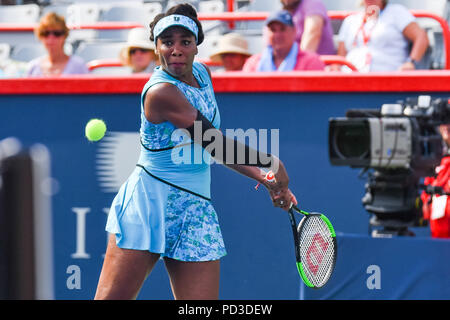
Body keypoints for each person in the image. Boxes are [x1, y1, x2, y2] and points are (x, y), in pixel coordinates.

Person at [94, 3, 297, 300]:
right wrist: (271, 162)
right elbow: (212, 141)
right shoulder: (160, 93)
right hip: (149, 206)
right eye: (167, 42)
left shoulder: (203, 74)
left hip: (194, 210)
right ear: (156, 48)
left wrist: (267, 178)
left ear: (196, 47)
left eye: (185, 42)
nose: (176, 49)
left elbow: (210, 149)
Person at [336, 0, 429, 72]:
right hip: (351, 80)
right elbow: (341, 57)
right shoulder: (351, 20)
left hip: (387, 79)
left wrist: (410, 62)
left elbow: (421, 37)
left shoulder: (396, 12)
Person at [243, 10, 325, 72]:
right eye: (273, 30)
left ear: (294, 31)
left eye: (282, 29)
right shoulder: (253, 63)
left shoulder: (311, 62)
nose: (277, 35)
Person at [27, 12, 88, 76]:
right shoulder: (33, 67)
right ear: (40, 36)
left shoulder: (78, 66)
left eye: (56, 33)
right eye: (46, 33)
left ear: (65, 35)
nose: (51, 38)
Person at [421, 124, 450, 238]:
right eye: (444, 121)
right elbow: (427, 192)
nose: (447, 126)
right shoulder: (437, 161)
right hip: (438, 238)